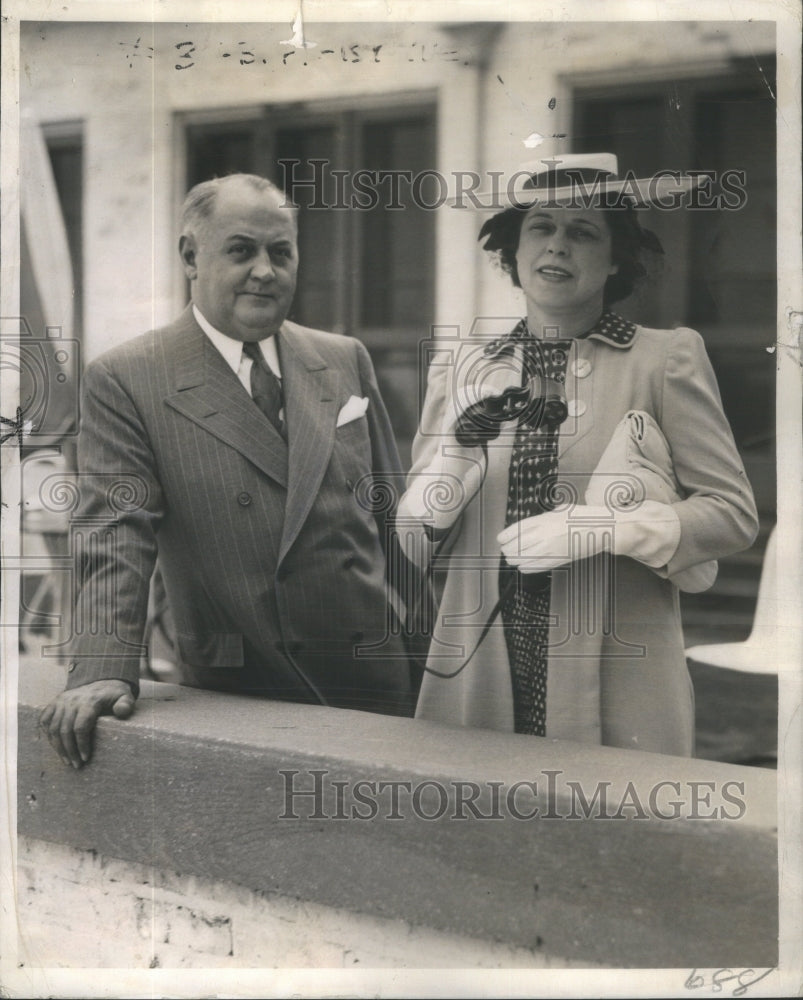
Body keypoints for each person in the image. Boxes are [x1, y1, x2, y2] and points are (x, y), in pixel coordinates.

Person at [41, 173, 414, 768]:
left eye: (281, 251)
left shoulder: (344, 358)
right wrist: (104, 669)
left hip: (375, 682)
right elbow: (115, 535)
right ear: (191, 256)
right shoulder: (129, 378)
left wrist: (431, 665)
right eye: (241, 250)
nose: (265, 270)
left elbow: (398, 527)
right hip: (240, 688)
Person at [397, 153, 759, 756]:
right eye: (541, 226)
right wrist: (456, 462)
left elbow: (732, 514)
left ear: (617, 257)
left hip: (620, 677)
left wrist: (606, 527)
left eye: (583, 231)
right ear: (512, 252)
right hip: (482, 673)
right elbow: (411, 542)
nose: (557, 246)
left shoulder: (665, 359)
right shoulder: (461, 368)